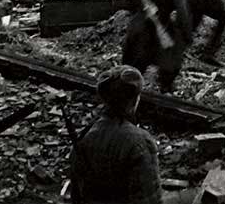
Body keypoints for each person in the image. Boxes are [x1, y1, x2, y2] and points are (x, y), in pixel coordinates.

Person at [69, 65, 161, 204]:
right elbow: (149, 200)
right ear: (134, 100)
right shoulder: (139, 142)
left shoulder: (87, 135)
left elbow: (76, 194)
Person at [122, 0, 192, 94]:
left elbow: (130, 4)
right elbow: (182, 12)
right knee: (171, 64)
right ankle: (165, 91)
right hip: (159, 30)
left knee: (130, 73)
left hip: (137, 27)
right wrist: (186, 34)